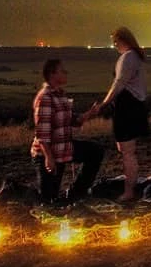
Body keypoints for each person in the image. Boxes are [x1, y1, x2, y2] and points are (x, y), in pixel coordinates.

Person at [30, 58, 104, 206]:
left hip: (63, 149)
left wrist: (89, 114)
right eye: (62, 71)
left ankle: (76, 194)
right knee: (48, 202)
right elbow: (42, 132)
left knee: (95, 151)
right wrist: (48, 158)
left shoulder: (60, 95)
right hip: (50, 153)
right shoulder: (45, 97)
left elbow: (72, 120)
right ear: (52, 74)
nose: (66, 73)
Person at [98, 26, 149, 203]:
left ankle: (129, 192)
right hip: (132, 106)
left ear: (122, 40)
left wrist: (104, 103)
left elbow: (119, 84)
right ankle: (130, 186)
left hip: (128, 107)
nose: (114, 45)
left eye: (115, 42)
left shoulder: (127, 57)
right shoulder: (135, 57)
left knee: (128, 151)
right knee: (127, 150)